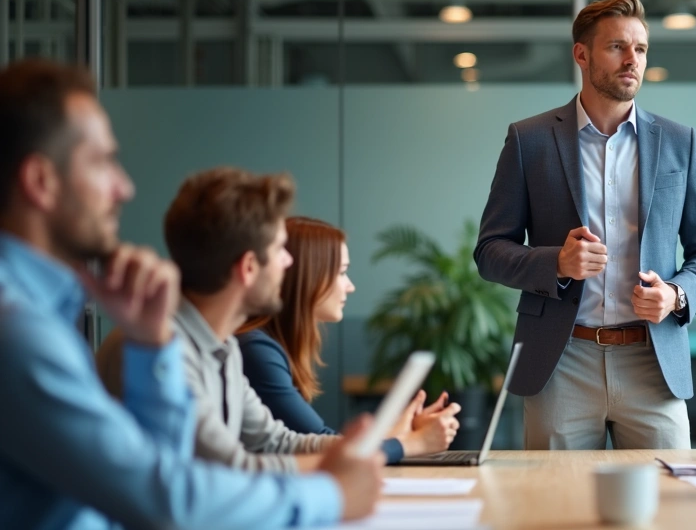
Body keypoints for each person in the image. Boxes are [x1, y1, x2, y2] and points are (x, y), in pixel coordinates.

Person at [0, 58, 380, 528]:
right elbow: (166, 499)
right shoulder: (19, 333)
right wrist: (332, 495)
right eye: (101, 162)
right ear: (40, 182)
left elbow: (163, 470)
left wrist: (149, 343)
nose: (124, 187)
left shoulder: (47, 316)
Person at [475, 0, 696, 450]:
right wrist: (556, 263)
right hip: (561, 360)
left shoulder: (679, 142)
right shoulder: (528, 141)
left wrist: (676, 294)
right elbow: (491, 251)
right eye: (617, 47)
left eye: (641, 49)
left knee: (669, 510)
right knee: (557, 512)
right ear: (582, 54)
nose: (632, 59)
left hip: (653, 363)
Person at [236, 216, 461, 463]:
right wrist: (414, 442)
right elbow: (323, 447)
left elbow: (322, 443)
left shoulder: (266, 345)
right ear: (307, 276)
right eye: (342, 272)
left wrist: (401, 433)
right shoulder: (256, 350)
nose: (350, 286)